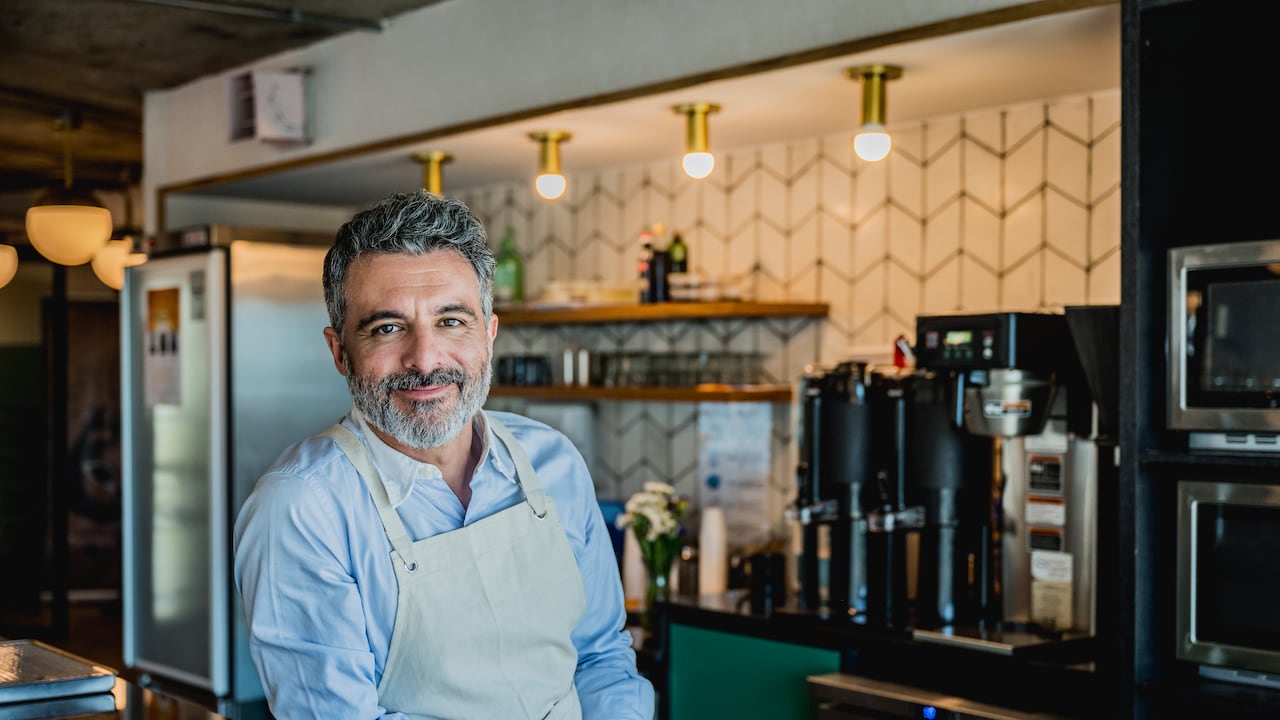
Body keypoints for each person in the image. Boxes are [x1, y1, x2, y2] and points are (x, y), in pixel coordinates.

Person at [233, 191, 654, 719]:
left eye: (451, 321)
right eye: (387, 328)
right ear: (340, 352)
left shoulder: (553, 464)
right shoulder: (300, 508)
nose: (425, 358)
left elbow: (601, 657)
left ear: (489, 335)